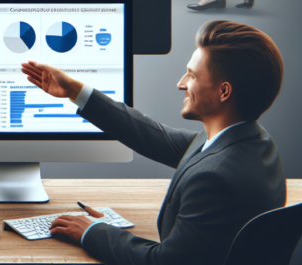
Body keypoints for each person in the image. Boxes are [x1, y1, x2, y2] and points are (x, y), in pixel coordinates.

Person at [21, 20, 285, 265]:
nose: (181, 83)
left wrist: (92, 231)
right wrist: (74, 91)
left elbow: (163, 262)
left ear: (224, 91)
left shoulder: (214, 178)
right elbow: (153, 136)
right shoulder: (253, 141)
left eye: (192, 75)